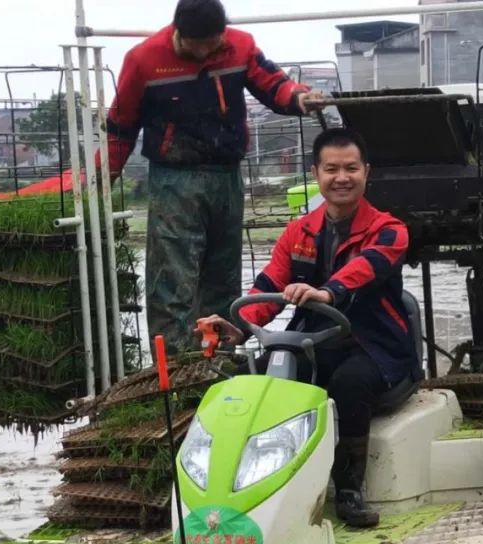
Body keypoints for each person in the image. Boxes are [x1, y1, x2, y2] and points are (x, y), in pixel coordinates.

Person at [198, 128, 418, 529]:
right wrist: (238, 328)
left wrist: (326, 293)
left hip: (375, 343)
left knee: (349, 384)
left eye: (351, 168)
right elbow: (268, 286)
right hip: (314, 339)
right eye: (331, 168)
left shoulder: (390, 230)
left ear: (366, 172)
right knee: (262, 378)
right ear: (316, 174)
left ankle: (349, 490)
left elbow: (361, 272)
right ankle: (254, 486)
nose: (342, 177)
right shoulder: (298, 232)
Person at [104, 0, 323, 354]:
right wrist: (105, 177)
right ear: (178, 33)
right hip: (175, 179)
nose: (206, 52)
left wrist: (300, 97)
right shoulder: (143, 59)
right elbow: (121, 125)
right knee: (172, 280)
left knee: (223, 275)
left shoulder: (241, 46)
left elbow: (273, 84)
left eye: (213, 43)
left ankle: (219, 360)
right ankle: (175, 370)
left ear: (223, 33)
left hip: (226, 176)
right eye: (197, 45)